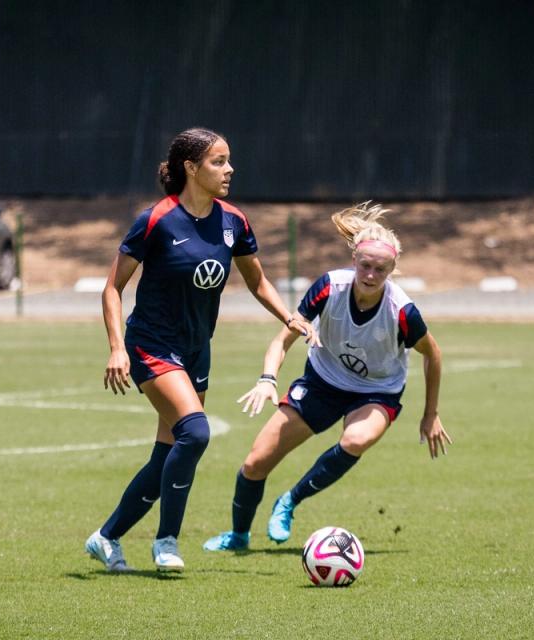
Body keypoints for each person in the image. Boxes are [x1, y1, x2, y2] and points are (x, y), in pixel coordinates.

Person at [85, 127, 316, 573]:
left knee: (168, 453)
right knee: (196, 433)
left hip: (196, 349)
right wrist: (116, 348)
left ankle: (106, 536)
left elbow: (257, 280)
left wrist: (286, 315)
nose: (229, 170)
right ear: (190, 168)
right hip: (151, 345)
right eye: (218, 162)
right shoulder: (156, 220)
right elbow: (112, 288)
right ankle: (167, 541)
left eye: (229, 160)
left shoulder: (234, 221)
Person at [202, 202, 451, 552]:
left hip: (377, 392)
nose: (370, 275)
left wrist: (431, 414)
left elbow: (433, 354)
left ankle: (289, 501)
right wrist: (267, 379)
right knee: (255, 463)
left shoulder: (403, 311)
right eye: (365, 266)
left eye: (380, 269)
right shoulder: (328, 288)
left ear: (392, 270)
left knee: (355, 440)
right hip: (321, 382)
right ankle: (238, 536)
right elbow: (283, 339)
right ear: (354, 262)